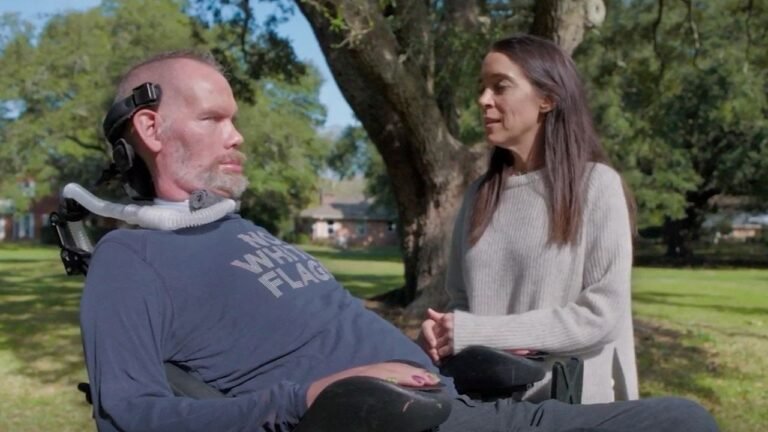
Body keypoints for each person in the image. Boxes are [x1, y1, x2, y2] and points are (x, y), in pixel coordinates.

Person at [79, 50, 718, 432]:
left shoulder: (243, 232)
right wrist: (311, 398)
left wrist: (430, 355)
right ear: (152, 130)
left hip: (460, 404)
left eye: (235, 119)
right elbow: (130, 415)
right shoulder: (130, 259)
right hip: (396, 424)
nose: (236, 135)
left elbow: (327, 337)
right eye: (213, 119)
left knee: (680, 418)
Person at [419, 34, 637, 404]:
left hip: (569, 409)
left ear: (547, 98)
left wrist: (477, 332)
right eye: (482, 88)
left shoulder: (597, 186)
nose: (483, 100)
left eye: (500, 86)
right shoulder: (478, 195)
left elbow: (601, 316)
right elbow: (461, 302)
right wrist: (440, 331)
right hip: (486, 406)